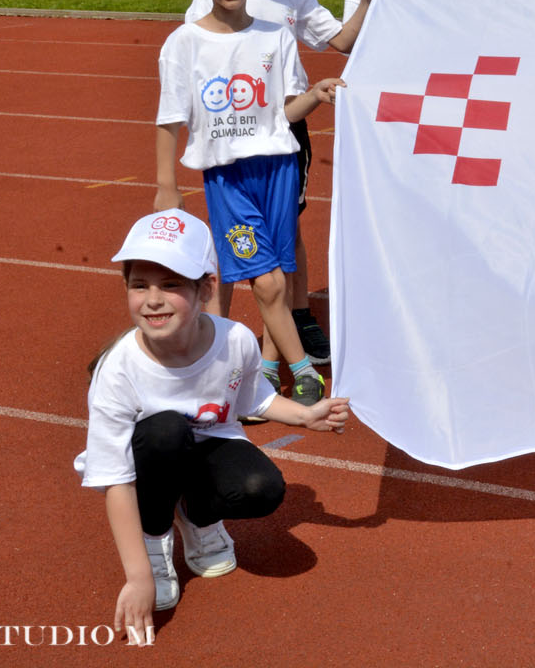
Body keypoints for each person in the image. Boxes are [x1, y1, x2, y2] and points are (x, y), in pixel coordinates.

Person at [77, 207, 349, 630]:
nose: (152, 299)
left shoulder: (235, 340)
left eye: (170, 285)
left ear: (206, 288)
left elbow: (253, 400)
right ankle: (156, 538)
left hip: (208, 446)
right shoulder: (119, 369)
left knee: (262, 489)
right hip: (151, 461)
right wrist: (138, 576)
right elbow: (114, 477)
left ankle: (198, 516)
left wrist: (305, 416)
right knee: (164, 430)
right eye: (139, 285)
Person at [156, 0, 341, 406]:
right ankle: (303, 371)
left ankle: (265, 369)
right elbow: (170, 117)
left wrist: (318, 95)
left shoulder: (274, 36)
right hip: (228, 177)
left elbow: (286, 110)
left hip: (278, 168)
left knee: (275, 276)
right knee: (267, 279)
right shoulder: (183, 43)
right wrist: (166, 184)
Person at [181, 0, 369, 356]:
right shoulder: (203, 5)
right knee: (233, 230)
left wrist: (367, 2)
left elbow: (340, 42)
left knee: (288, 227)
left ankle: (298, 316)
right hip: (230, 128)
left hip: (286, 127)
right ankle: (217, 332)